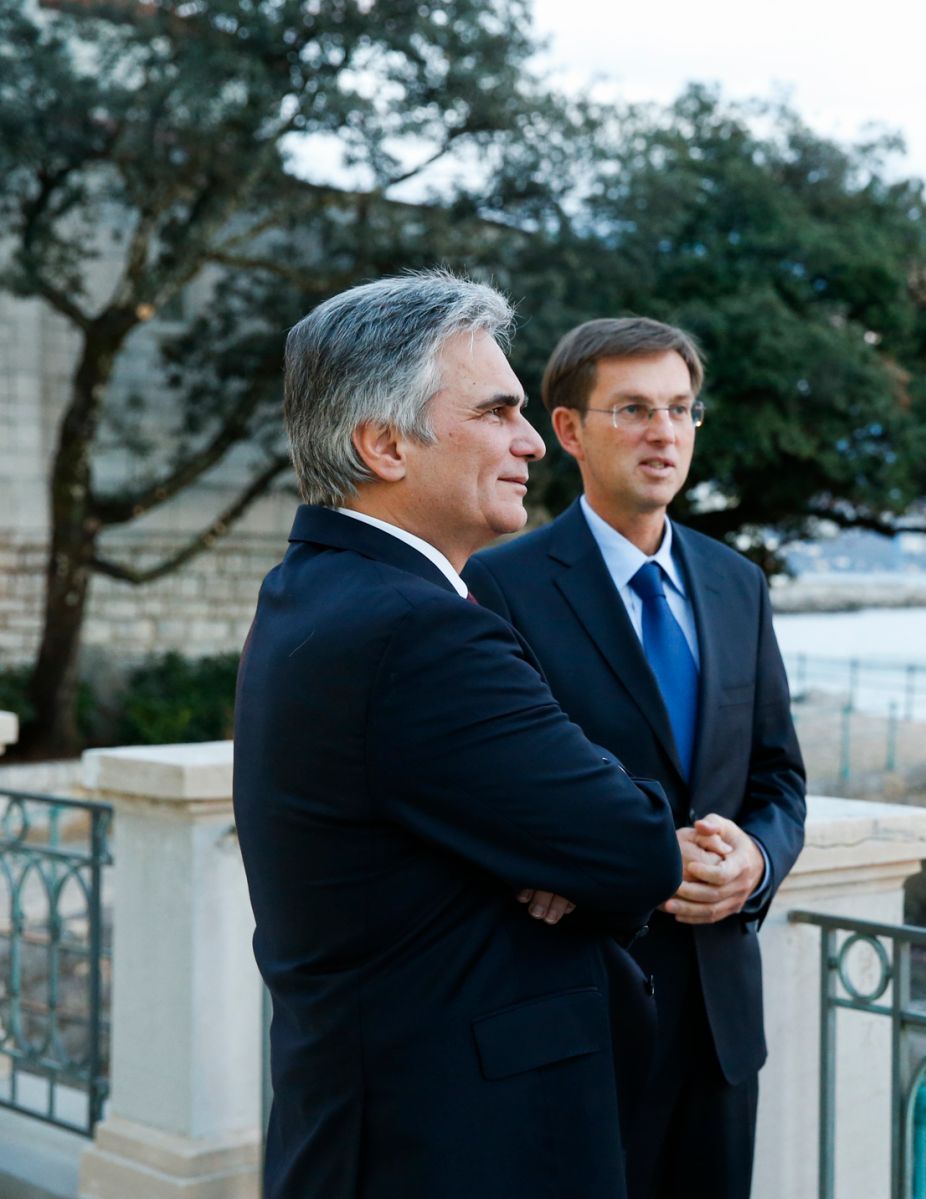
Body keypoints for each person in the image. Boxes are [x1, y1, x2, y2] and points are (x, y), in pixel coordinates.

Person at [234, 272, 683, 1199]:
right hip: (453, 1145)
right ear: (384, 443)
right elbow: (638, 844)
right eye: (496, 411)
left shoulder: (314, 589)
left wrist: (562, 853)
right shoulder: (417, 629)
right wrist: (576, 858)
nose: (531, 443)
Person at [464, 317, 807, 1199]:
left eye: (681, 409)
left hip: (722, 1017)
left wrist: (757, 861)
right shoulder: (499, 585)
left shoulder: (739, 583)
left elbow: (778, 775)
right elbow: (490, 794)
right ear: (570, 429)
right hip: (580, 1003)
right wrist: (576, 864)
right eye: (634, 410)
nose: (664, 432)